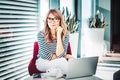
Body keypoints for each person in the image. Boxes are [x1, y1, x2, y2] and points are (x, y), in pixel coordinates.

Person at [35, 9, 73, 78]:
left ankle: (51, 74)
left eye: (56, 19)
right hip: (43, 62)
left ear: (60, 21)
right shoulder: (40, 34)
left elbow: (60, 54)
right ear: (47, 20)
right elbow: (48, 56)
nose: (53, 22)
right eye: (50, 19)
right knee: (62, 61)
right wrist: (65, 56)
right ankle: (72, 76)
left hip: (57, 62)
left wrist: (58, 35)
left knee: (58, 69)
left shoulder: (65, 34)